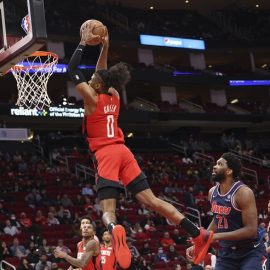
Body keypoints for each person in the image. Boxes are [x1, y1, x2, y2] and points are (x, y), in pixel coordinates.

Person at [68, 21, 212, 269]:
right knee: (152, 201)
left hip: (106, 154)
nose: (91, 77)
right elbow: (102, 71)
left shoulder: (91, 99)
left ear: (96, 85)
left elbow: (71, 70)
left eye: (92, 78)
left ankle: (115, 229)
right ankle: (198, 234)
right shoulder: (112, 94)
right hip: (124, 151)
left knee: (107, 208)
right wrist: (106, 46)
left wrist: (82, 42)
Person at [186, 153, 265, 269]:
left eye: (219, 164)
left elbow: (251, 230)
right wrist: (200, 242)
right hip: (227, 253)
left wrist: (216, 236)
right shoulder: (212, 192)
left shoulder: (243, 193)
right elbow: (218, 219)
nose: (214, 166)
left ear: (229, 171)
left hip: (249, 251)